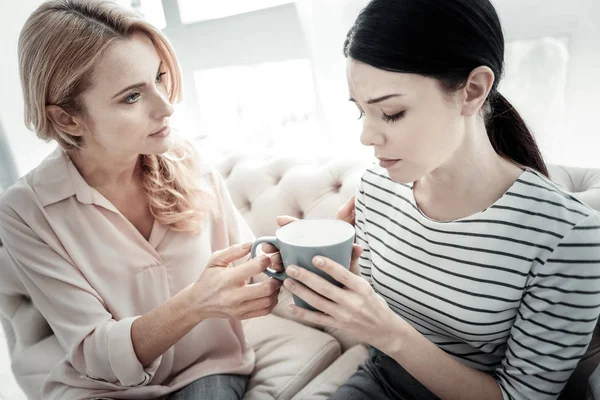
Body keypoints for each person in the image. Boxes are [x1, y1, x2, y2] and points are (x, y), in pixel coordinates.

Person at [274, 0, 600, 399]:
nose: (367, 137)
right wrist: (324, 275)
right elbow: (382, 313)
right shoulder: (377, 186)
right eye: (362, 113)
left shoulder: (569, 237)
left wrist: (387, 333)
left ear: (473, 90)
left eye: (391, 112)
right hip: (380, 381)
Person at [0, 0, 287, 399]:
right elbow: (94, 355)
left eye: (159, 78)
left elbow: (250, 267)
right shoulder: (25, 211)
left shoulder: (189, 161)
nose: (166, 107)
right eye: (132, 97)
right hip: (96, 391)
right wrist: (195, 304)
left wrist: (295, 258)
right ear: (67, 118)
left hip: (204, 370)